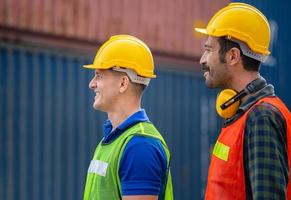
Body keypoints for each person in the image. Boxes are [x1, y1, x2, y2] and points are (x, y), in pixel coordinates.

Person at [194, 3, 291, 200]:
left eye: (209, 50)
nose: (202, 59)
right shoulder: (243, 114)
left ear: (232, 56)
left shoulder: (261, 118)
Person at [82, 35, 173, 200]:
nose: (92, 84)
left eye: (99, 75)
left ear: (123, 83)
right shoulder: (114, 139)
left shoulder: (140, 146)